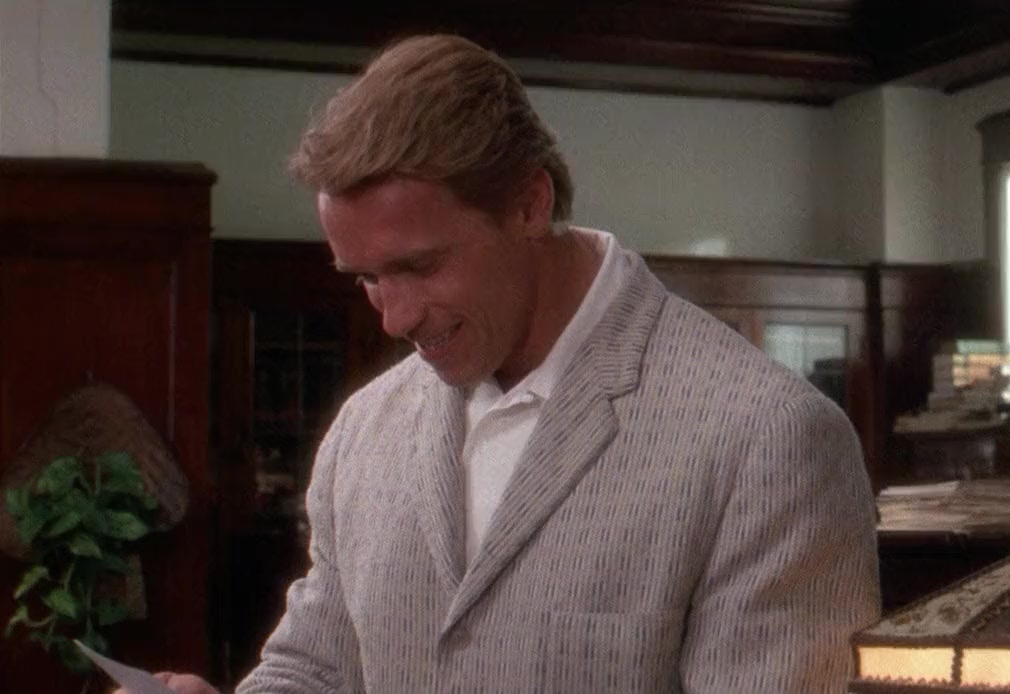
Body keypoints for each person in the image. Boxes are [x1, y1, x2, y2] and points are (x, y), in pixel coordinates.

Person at [138, 33, 879, 693]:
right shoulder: (364, 429)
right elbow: (320, 668)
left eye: (419, 267)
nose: (394, 318)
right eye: (365, 278)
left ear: (529, 204)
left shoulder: (769, 438)